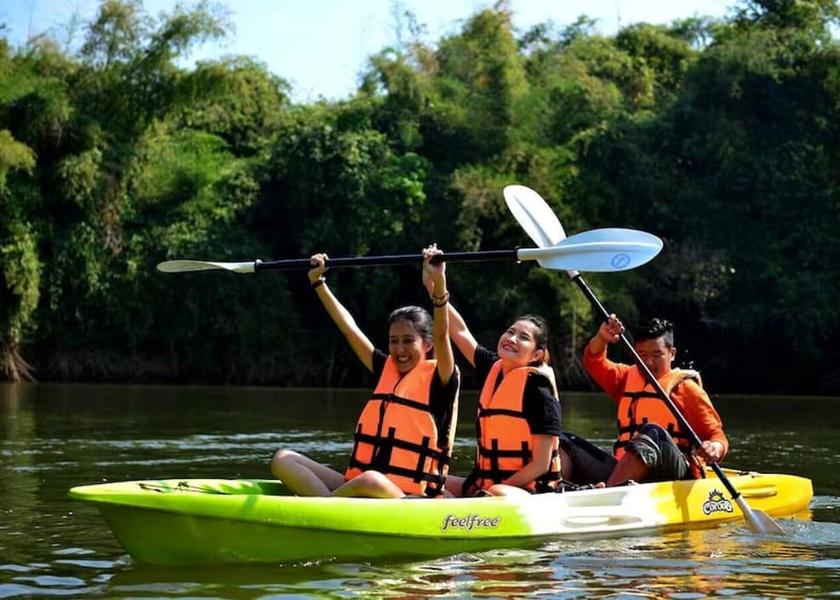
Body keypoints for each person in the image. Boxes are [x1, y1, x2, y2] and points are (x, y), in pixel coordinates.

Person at [270, 245, 459, 498]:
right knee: (283, 458)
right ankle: (330, 505)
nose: (399, 349)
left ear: (427, 344)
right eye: (394, 341)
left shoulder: (441, 379)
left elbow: (443, 333)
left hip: (409, 499)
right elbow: (349, 329)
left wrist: (439, 284)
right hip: (360, 484)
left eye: (408, 341)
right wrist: (319, 283)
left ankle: (323, 509)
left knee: (371, 480)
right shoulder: (385, 369)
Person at [430, 270, 563, 496]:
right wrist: (435, 285)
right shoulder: (494, 368)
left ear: (537, 355)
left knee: (497, 493)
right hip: (488, 486)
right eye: (510, 332)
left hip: (530, 492)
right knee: (432, 481)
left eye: (523, 337)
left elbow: (541, 464)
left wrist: (496, 489)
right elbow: (459, 332)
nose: (511, 339)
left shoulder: (539, 391)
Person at [581, 315, 729, 486]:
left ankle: (607, 493)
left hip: (674, 474)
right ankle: (552, 489)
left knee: (653, 433)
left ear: (672, 354)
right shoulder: (626, 378)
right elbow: (593, 361)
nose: (649, 362)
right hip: (622, 468)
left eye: (657, 355)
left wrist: (715, 447)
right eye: (642, 355)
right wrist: (602, 338)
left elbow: (717, 436)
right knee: (566, 441)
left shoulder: (688, 390)